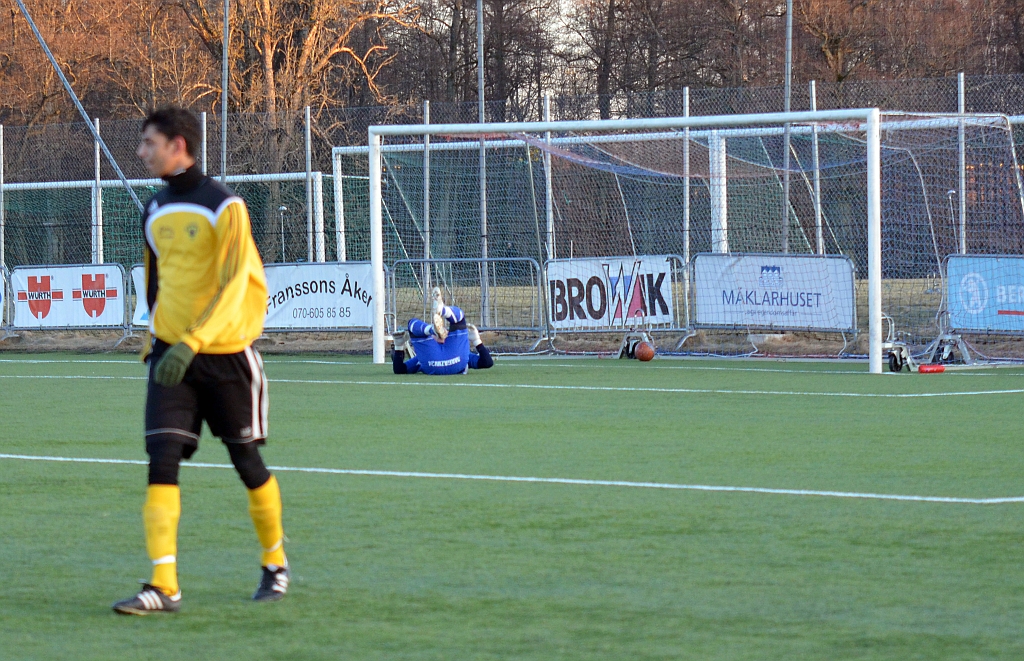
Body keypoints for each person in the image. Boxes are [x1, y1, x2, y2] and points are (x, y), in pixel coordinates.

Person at [112, 106, 288, 615]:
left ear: (179, 145)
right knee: (162, 459)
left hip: (226, 355)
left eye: (150, 142)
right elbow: (155, 285)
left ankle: (274, 564)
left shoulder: (224, 206)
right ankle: (163, 585)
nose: (142, 152)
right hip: (172, 356)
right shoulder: (154, 208)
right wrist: (159, 338)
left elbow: (239, 285)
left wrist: (197, 340)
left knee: (246, 461)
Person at [392, 288, 494, 375]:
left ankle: (431, 329)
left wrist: (398, 347)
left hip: (433, 363)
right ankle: (442, 310)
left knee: (412, 323)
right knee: (459, 319)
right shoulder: (466, 354)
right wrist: (477, 340)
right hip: (456, 360)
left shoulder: (420, 358)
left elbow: (399, 370)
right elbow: (487, 363)